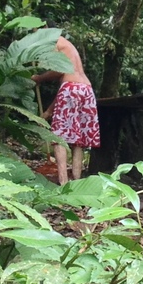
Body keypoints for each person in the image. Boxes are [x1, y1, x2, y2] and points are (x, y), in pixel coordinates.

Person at [35, 34, 99, 184]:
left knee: (59, 137)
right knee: (79, 140)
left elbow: (59, 71)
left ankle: (63, 182)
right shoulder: (67, 45)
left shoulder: (55, 42)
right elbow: (65, 91)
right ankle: (77, 181)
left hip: (70, 89)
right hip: (87, 90)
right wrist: (49, 112)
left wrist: (40, 78)